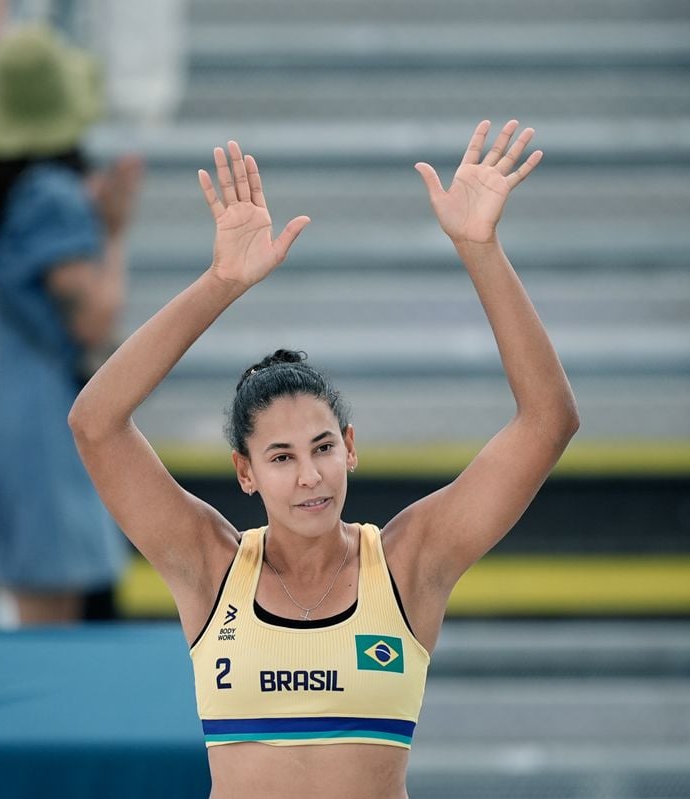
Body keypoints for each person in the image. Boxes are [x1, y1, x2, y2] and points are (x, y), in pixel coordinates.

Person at [68, 123, 578, 798]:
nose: (309, 475)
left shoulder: (407, 563)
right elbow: (95, 424)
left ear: (351, 448)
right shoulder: (210, 567)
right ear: (244, 472)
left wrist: (480, 249)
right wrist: (220, 282)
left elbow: (548, 422)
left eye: (323, 448)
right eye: (280, 456)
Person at [0, 23, 141, 625]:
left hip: (7, 410)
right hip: (39, 432)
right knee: (50, 623)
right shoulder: (50, 195)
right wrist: (115, 231)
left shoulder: (8, 192)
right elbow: (93, 319)